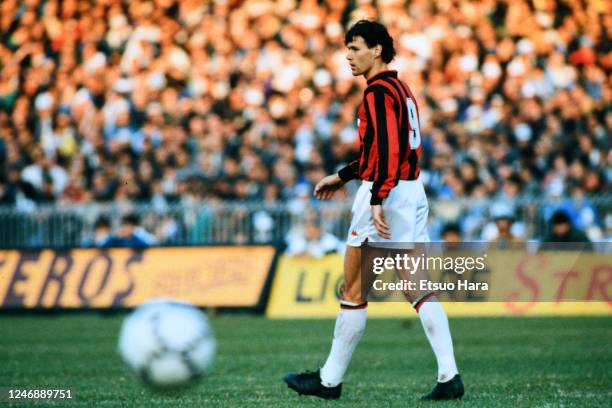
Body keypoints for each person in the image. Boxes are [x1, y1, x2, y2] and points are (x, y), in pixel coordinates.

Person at [283, 20, 463, 401]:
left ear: (378, 49)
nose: (349, 56)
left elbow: (389, 152)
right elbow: (383, 149)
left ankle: (329, 381)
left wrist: (378, 196)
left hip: (389, 192)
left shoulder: (378, 93)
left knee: (353, 288)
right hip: (412, 191)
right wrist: (343, 175)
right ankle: (450, 376)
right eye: (347, 48)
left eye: (356, 48)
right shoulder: (400, 88)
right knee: (417, 288)